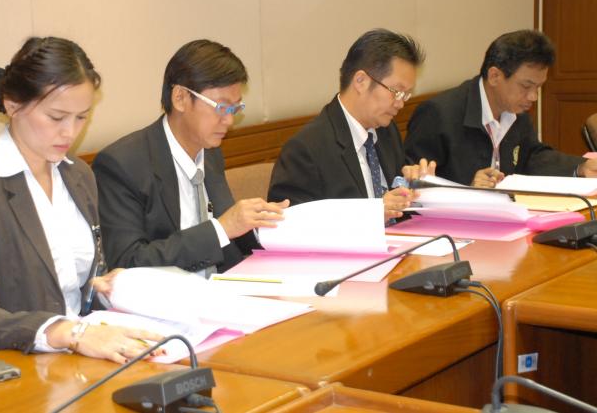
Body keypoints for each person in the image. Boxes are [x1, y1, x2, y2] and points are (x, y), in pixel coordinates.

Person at [0, 37, 162, 367]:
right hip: (7, 369)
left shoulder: (79, 175)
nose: (70, 133)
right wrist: (67, 332)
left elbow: (73, 288)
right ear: (13, 105)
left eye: (81, 117)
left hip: (75, 361)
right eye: (57, 117)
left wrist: (102, 288)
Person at [92, 39, 288, 274]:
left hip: (224, 286)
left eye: (235, 109)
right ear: (180, 98)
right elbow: (129, 263)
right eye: (221, 107)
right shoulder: (122, 165)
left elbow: (228, 235)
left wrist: (261, 224)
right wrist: (221, 228)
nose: (229, 120)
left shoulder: (210, 151)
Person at [268, 29, 434, 222]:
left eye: (406, 95)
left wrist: (416, 188)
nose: (400, 103)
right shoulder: (306, 150)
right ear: (361, 81)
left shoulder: (387, 132)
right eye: (396, 91)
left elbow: (400, 207)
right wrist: (370, 215)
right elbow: (291, 224)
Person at [404, 29, 597, 188]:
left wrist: (579, 168)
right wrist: (468, 190)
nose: (533, 97)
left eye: (538, 87)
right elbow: (413, 184)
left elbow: (532, 157)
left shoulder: (517, 112)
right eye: (526, 86)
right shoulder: (438, 114)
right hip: (455, 220)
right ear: (495, 76)